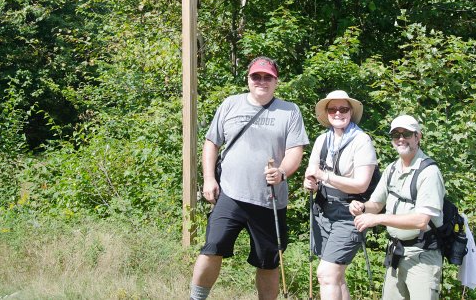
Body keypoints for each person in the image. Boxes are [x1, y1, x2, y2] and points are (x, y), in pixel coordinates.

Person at [190, 56, 309, 300]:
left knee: (268, 262)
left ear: (276, 81)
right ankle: (196, 298)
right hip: (231, 194)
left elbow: (295, 151)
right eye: (256, 76)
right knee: (212, 248)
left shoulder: (290, 111)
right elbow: (212, 143)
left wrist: (282, 172)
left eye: (268, 77)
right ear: (248, 79)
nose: (261, 81)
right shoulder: (231, 104)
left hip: (269, 200)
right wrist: (209, 178)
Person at [350, 115, 445, 300]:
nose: (400, 139)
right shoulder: (392, 169)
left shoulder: (429, 172)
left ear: (418, 137)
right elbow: (376, 204)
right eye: (395, 134)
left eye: (406, 134)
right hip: (396, 254)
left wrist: (377, 219)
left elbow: (421, 220)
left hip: (422, 257)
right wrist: (361, 207)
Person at [303, 90, 378, 300]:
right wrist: (311, 183)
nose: (338, 113)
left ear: (351, 112)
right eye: (332, 109)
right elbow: (312, 177)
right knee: (337, 277)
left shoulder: (362, 141)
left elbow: (361, 185)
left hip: (349, 214)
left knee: (326, 275)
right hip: (323, 212)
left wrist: (323, 176)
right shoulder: (322, 140)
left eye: (343, 109)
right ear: (326, 113)